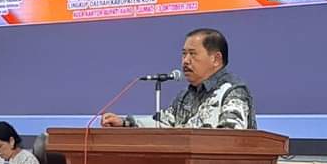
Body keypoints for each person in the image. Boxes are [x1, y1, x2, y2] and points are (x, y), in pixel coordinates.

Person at [102, 28, 257, 130]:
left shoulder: (233, 91)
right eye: (184, 54)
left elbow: (232, 139)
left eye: (192, 54)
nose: (185, 61)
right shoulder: (186, 95)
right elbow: (163, 123)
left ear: (216, 59)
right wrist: (124, 123)